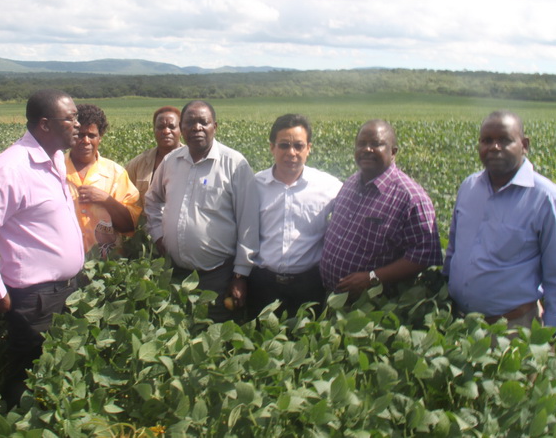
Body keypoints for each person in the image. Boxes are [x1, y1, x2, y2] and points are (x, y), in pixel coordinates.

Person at [0, 89, 84, 409]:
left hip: (64, 291)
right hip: (35, 300)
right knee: (27, 379)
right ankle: (12, 423)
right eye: (71, 118)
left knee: (56, 377)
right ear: (45, 124)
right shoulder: (13, 167)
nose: (78, 124)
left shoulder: (54, 157)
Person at [444, 111, 556, 333]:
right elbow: (454, 248)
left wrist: (552, 333)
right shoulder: (469, 187)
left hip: (513, 328)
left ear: (524, 145)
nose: (494, 147)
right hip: (460, 323)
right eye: (487, 141)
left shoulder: (546, 198)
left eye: (504, 140)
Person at [145, 100, 260, 322]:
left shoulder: (234, 164)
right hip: (174, 273)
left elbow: (249, 223)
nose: (196, 127)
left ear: (214, 127)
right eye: (190, 122)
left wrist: (240, 275)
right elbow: (152, 200)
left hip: (217, 277)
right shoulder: (171, 161)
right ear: (182, 128)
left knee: (213, 333)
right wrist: (158, 234)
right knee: (174, 330)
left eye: (203, 122)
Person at [320, 119, 442, 297]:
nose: (367, 149)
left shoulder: (412, 198)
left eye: (376, 144)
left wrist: (373, 277)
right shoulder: (351, 183)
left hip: (371, 303)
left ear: (393, 152)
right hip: (328, 295)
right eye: (361, 144)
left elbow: (424, 255)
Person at [248, 114, 342, 319]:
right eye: (284, 145)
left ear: (309, 148)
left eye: (298, 146)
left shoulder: (329, 187)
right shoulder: (254, 185)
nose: (291, 152)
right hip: (262, 283)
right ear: (272, 147)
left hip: (309, 285)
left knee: (306, 336)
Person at [67, 103, 141, 257]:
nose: (85, 141)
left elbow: (129, 225)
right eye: (80, 135)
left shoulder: (116, 174)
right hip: (64, 262)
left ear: (100, 138)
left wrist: (106, 200)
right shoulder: (54, 170)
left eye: (91, 135)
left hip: (107, 264)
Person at [125, 106, 183, 208]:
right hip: (147, 218)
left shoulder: (193, 160)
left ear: (181, 129)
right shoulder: (139, 163)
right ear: (154, 130)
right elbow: (124, 194)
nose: (166, 131)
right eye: (160, 127)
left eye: (171, 127)